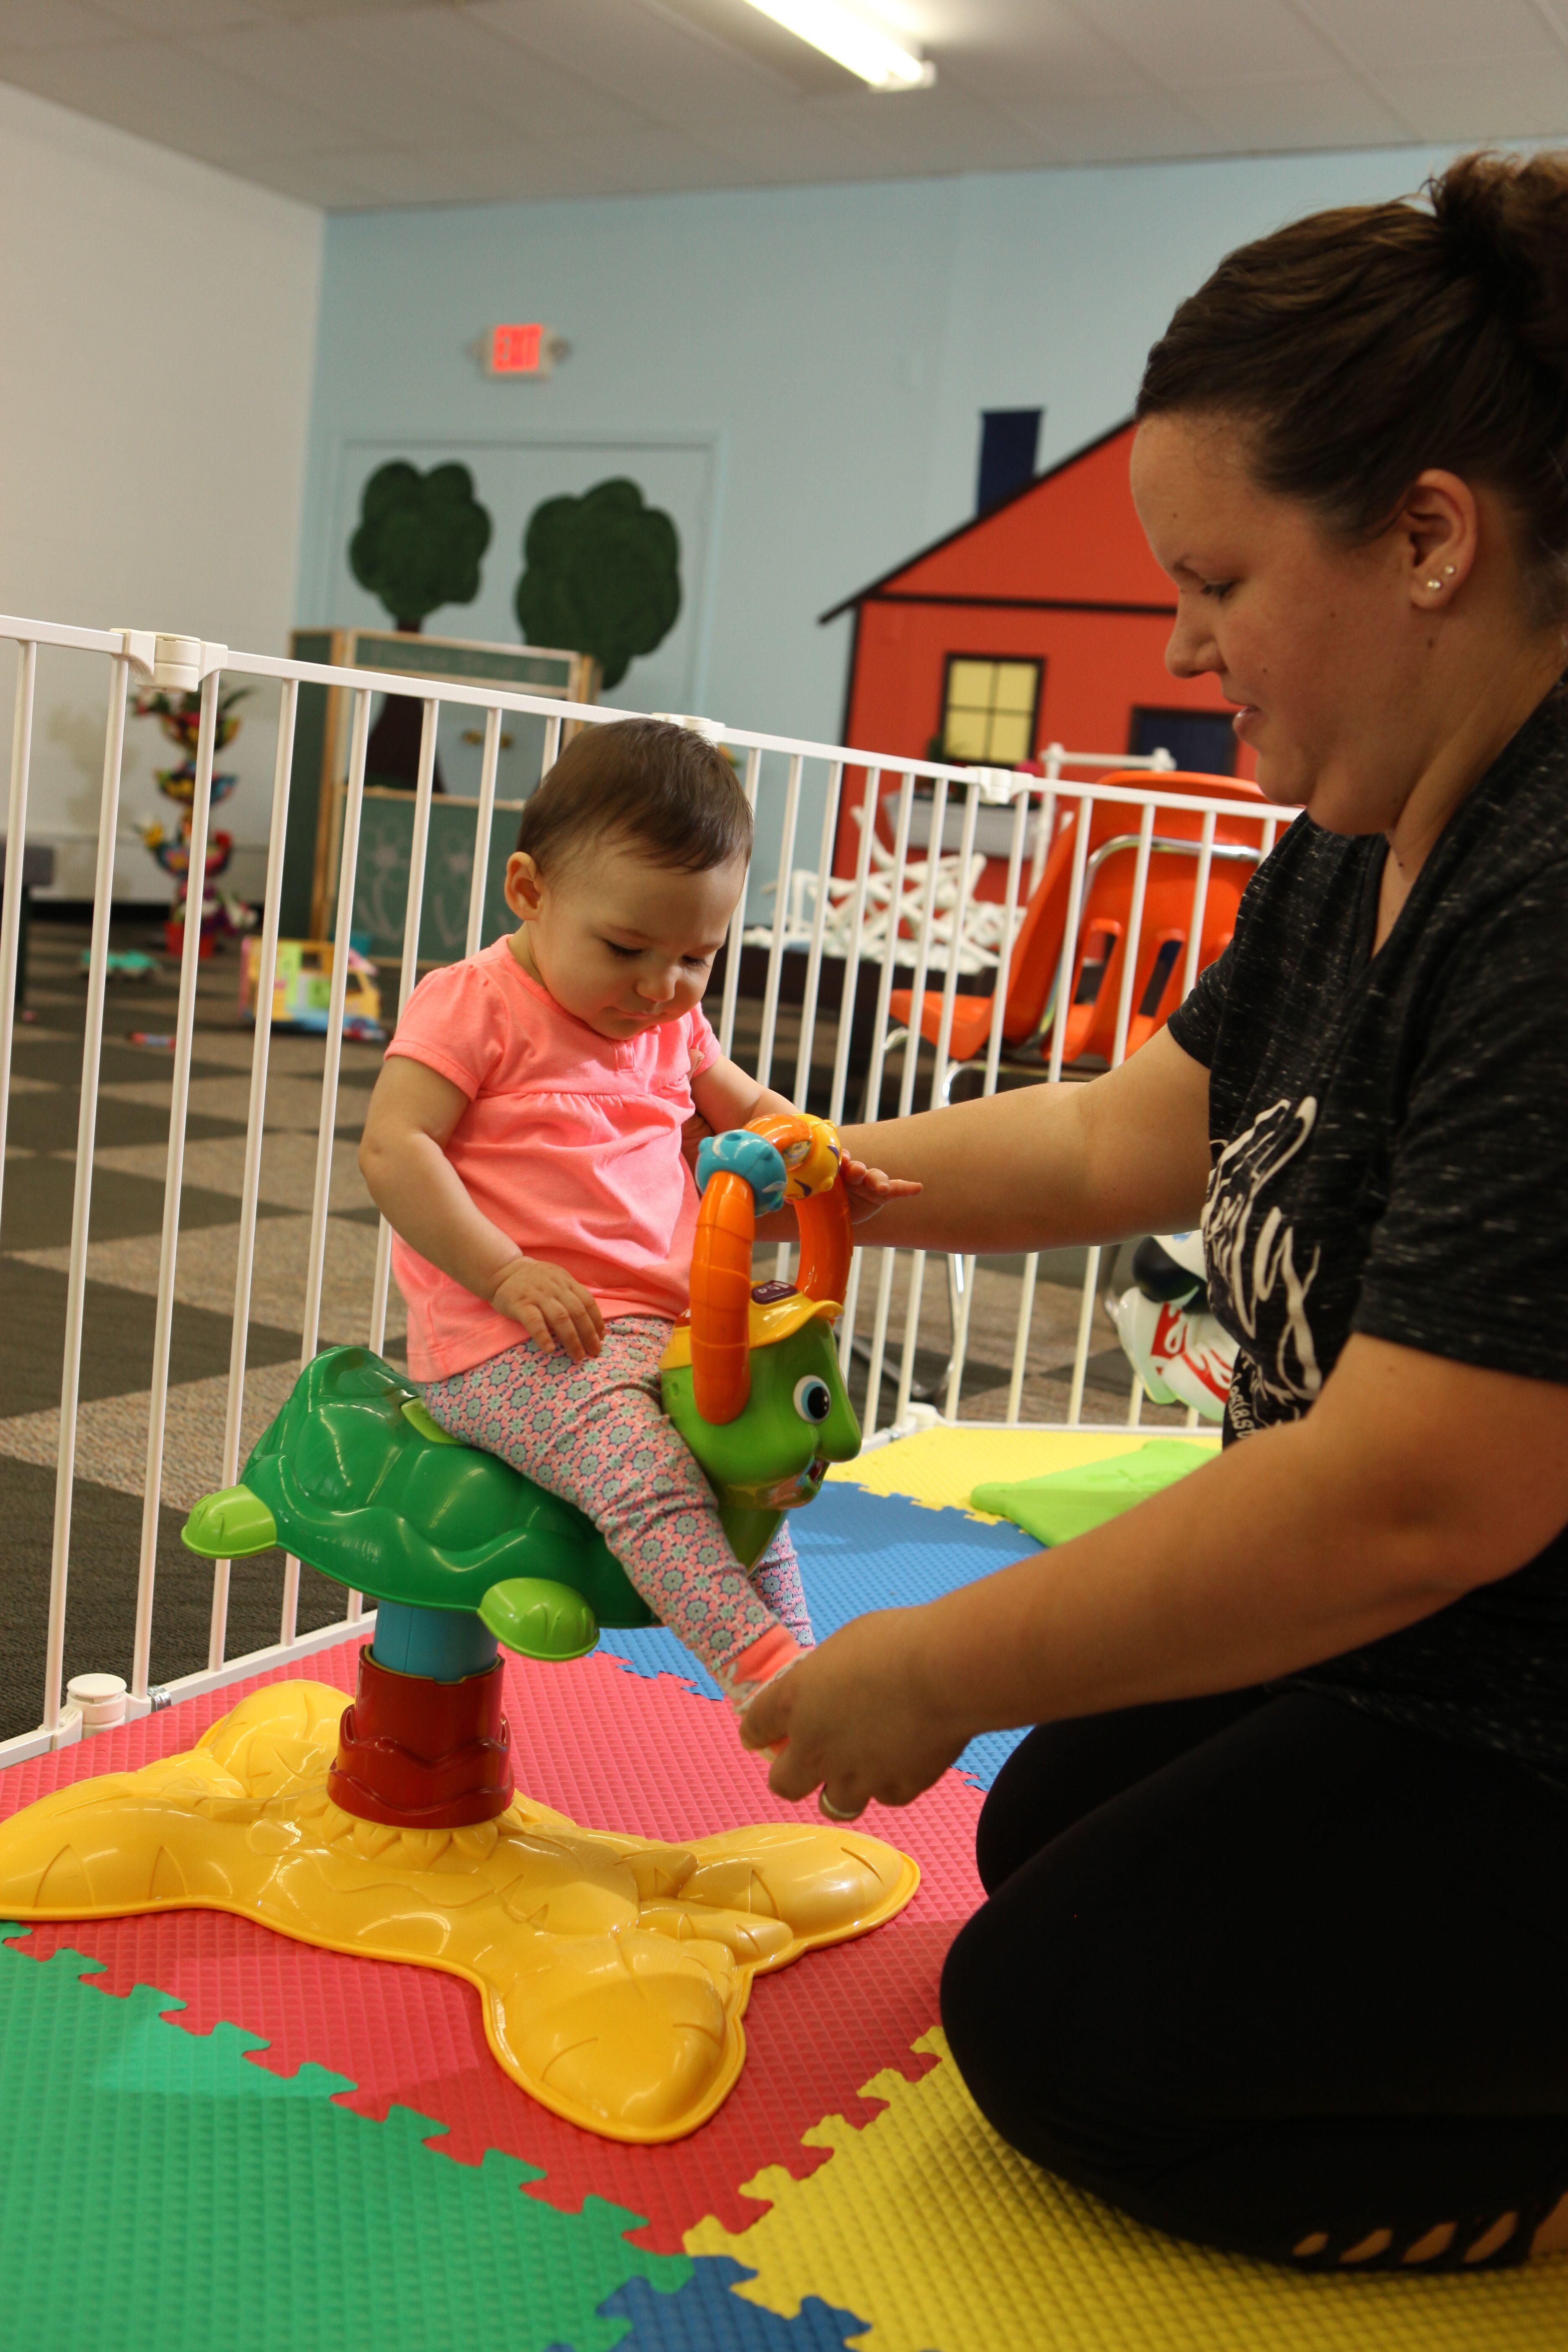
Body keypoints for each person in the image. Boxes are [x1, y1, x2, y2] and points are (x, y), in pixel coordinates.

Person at [743, 151, 1568, 2271]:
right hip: (1451, 1650)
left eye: (1209, 578)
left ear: (1425, 538)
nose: (1183, 641)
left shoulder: (1545, 887)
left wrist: (929, 1658)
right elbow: (1131, 1137)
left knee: (1063, 2033)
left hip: (1506, 1652)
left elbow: (1419, 1493)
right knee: (1047, 1823)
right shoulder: (1359, 823)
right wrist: (803, 1177)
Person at [358, 717, 909, 1716]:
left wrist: (824, 1156)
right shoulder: (475, 1003)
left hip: (661, 1326)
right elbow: (397, 1147)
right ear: (531, 891)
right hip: (514, 1340)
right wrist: (503, 1272)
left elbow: (748, 1106)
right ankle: (757, 1671)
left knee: (760, 1458)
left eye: (697, 956)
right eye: (625, 948)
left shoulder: (667, 1020)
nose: (661, 987)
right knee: (646, 1468)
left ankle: (808, 1660)